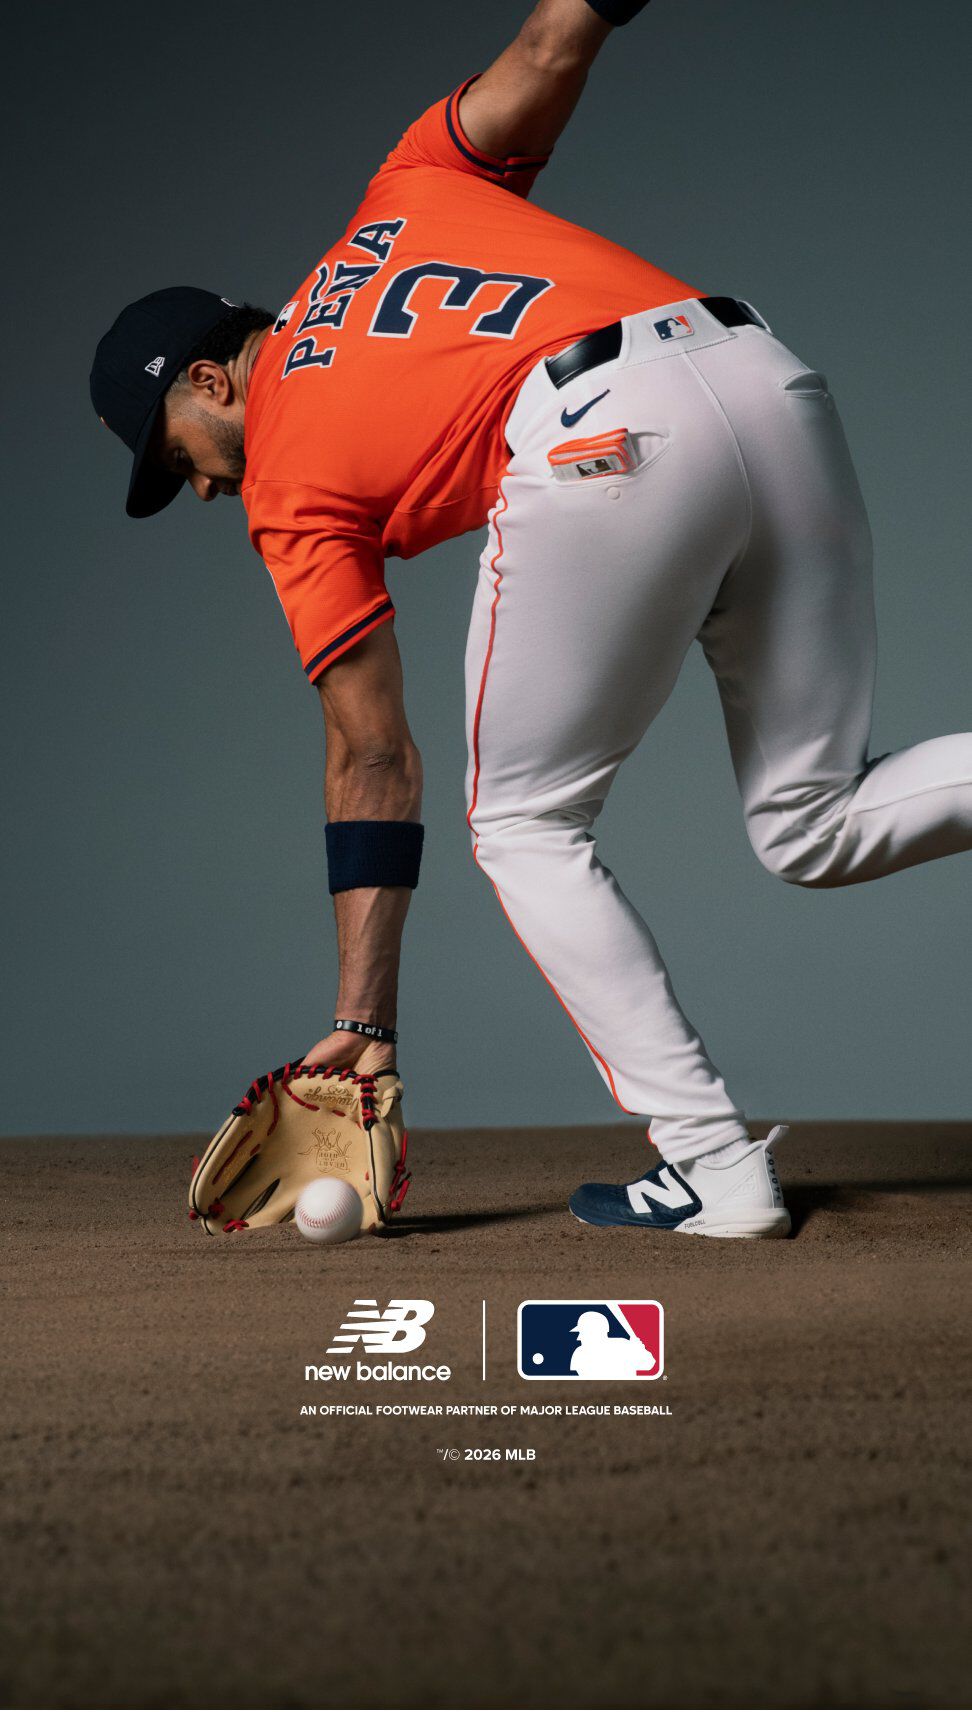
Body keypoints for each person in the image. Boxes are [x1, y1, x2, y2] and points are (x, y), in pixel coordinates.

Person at [90, 0, 972, 1240]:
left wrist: (367, 1021)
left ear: (206, 377)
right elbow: (559, 41)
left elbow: (374, 754)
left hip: (610, 438)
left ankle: (715, 1166)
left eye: (173, 455)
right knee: (813, 819)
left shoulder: (283, 473)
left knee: (519, 821)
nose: (196, 483)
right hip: (770, 383)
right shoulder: (404, 186)